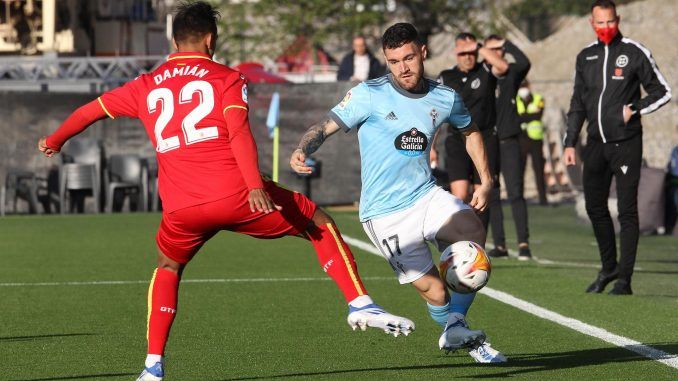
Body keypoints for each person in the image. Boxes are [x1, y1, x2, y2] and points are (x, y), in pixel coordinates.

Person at [37, 3, 413, 380]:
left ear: (173, 39)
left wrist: (55, 140)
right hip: (237, 195)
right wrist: (254, 185)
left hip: (181, 209)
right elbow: (237, 132)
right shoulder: (226, 78)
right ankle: (359, 302)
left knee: (168, 267)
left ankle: (152, 366)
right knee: (318, 222)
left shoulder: (145, 85)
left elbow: (90, 111)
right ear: (210, 39)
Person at [291, 23, 506, 363]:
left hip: (424, 194)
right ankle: (451, 324)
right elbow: (325, 126)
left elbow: (471, 131)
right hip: (384, 213)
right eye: (394, 61)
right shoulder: (369, 94)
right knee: (435, 291)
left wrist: (487, 180)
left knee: (471, 231)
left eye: (408, 57)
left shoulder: (444, 96)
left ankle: (455, 327)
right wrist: (304, 149)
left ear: (423, 52)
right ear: (386, 61)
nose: (403, 67)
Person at [563, 0, 671, 295]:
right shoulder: (585, 57)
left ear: (618, 19)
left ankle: (624, 279)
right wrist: (569, 142)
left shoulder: (634, 52)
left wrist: (634, 108)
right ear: (591, 23)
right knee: (594, 206)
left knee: (627, 211)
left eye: (610, 22)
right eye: (600, 23)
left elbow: (663, 91)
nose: (606, 28)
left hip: (626, 144)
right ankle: (608, 267)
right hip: (594, 144)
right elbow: (577, 103)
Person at [435, 32, 508, 252]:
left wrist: (479, 47)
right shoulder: (446, 77)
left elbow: (503, 67)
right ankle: (459, 243)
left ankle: (477, 245)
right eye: (463, 52)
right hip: (457, 141)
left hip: (484, 140)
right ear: (455, 52)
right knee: (459, 196)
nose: (468, 56)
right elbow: (435, 113)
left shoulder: (485, 70)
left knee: (481, 196)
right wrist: (431, 148)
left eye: (471, 52)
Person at [483, 34, 532, 260]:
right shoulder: (483, 76)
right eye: (492, 50)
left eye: (500, 50)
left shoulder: (511, 74)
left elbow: (524, 62)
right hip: (490, 143)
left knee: (515, 192)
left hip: (510, 141)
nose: (497, 54)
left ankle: (523, 243)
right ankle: (500, 244)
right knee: (492, 193)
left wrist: (506, 44)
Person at [516, 79, 548, 206]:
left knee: (539, 169)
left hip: (535, 140)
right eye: (521, 86)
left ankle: (543, 199)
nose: (523, 88)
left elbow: (538, 116)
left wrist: (523, 116)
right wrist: (529, 116)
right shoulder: (515, 100)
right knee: (520, 171)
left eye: (524, 86)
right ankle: (520, 199)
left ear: (529, 86)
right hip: (521, 139)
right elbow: (516, 118)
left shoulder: (538, 98)